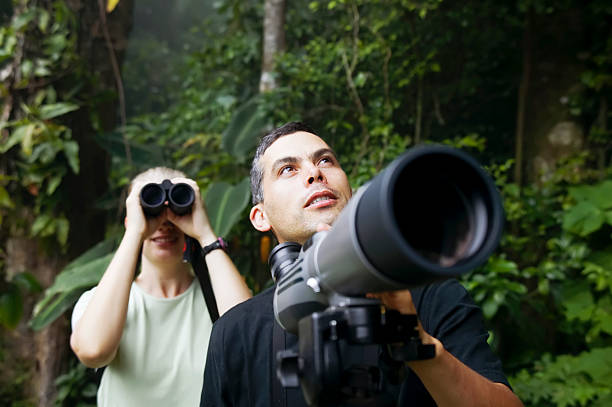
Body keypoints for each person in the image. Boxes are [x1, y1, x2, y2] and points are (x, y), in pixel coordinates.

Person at [200, 122, 524, 407]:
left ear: (350, 189)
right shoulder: (235, 332)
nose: (315, 173)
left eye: (325, 160)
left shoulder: (428, 297)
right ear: (261, 216)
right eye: (288, 169)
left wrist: (419, 347)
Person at [70, 167, 252, 407]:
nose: (164, 224)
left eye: (175, 209)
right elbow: (93, 351)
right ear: (130, 219)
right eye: (150, 210)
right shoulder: (100, 302)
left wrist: (205, 233)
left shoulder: (220, 297)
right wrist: (135, 232)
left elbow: (250, 340)